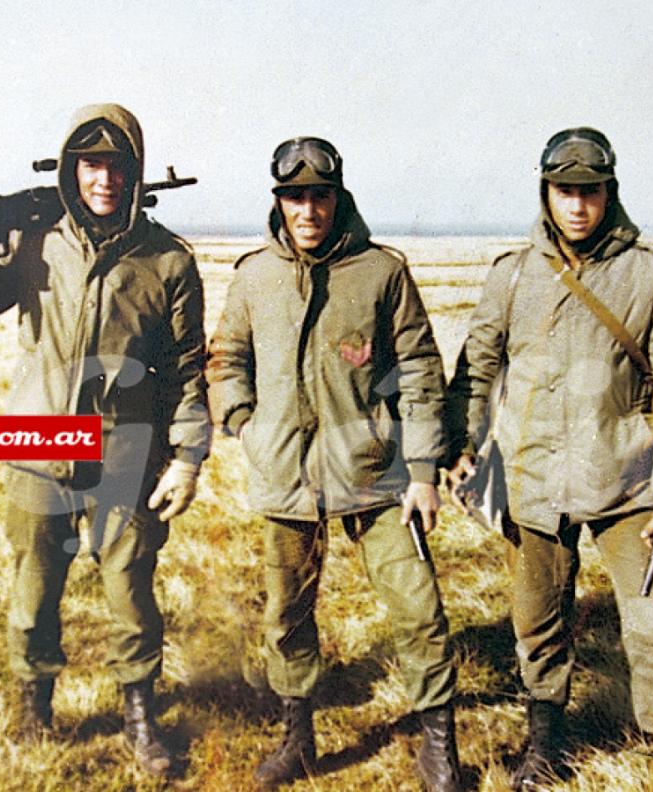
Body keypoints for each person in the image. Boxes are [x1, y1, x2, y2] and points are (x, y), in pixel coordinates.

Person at [0, 104, 209, 777]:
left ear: (135, 173)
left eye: (117, 165)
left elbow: (189, 371)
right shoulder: (38, 243)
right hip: (37, 454)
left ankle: (139, 716)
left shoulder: (168, 260)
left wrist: (188, 458)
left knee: (131, 595)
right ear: (73, 170)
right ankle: (32, 709)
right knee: (32, 594)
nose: (104, 178)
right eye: (92, 164)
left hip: (127, 461)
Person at [445, 127, 653, 791]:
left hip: (631, 485)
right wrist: (462, 446)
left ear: (608, 193)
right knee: (537, 622)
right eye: (565, 191)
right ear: (546, 193)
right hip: (533, 479)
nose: (577, 206)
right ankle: (546, 745)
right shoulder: (512, 276)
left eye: (589, 191)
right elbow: (477, 369)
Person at [207, 137, 462, 791]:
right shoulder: (254, 276)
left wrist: (426, 470)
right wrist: (245, 422)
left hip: (378, 473)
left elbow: (421, 373)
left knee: (417, 609)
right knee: (286, 615)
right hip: (286, 476)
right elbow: (226, 358)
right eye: (295, 197)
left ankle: (439, 746)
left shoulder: (381, 272)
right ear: (279, 203)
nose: (308, 209)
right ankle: (299, 740)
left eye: (319, 196)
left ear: (337, 197)